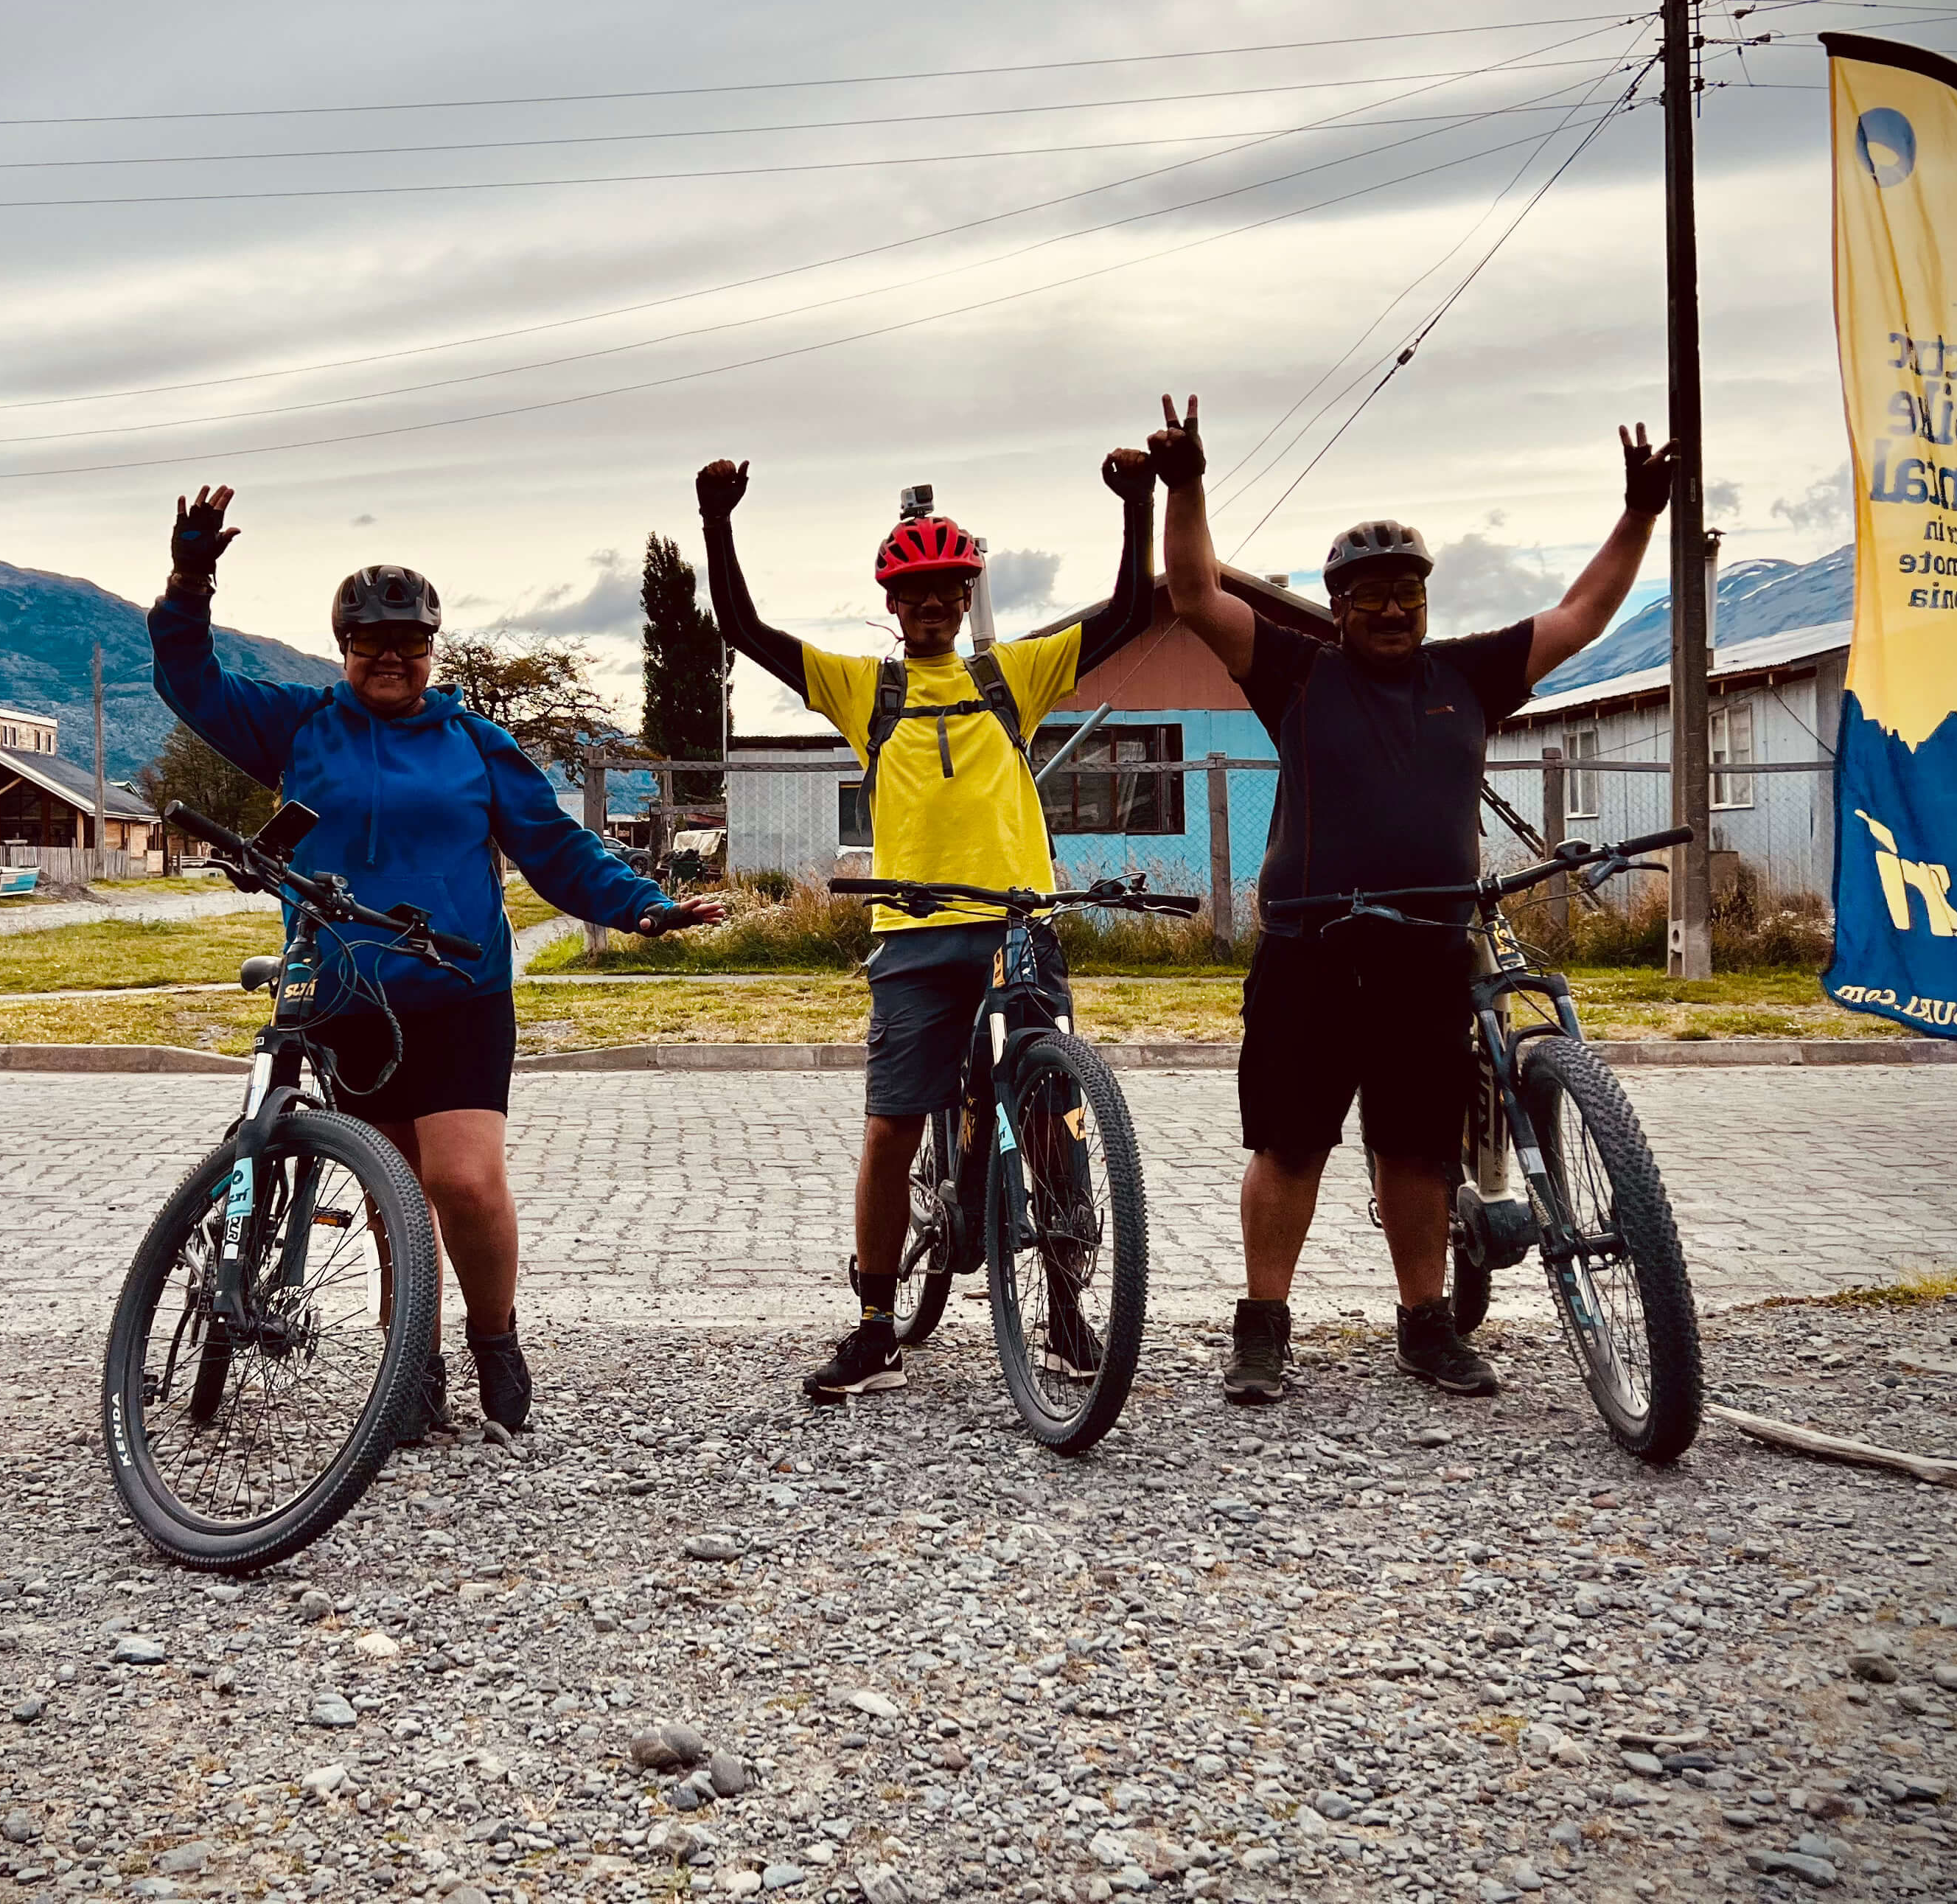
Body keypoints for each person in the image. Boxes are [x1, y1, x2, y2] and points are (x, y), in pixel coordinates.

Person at [147, 486, 720, 1437]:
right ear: (343, 649)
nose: (390, 659)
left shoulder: (475, 743)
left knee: (463, 1179)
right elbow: (188, 677)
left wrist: (642, 906)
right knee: (396, 1196)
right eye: (370, 644)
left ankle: (494, 1336)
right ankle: (411, 1355)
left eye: (408, 644)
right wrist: (190, 579)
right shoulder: (298, 725)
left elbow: (555, 846)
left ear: (431, 650)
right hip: (345, 995)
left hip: (459, 991)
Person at [1145, 397, 1675, 1404]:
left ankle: (1426, 1325)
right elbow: (1195, 593)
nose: (1392, 611)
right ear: (1338, 606)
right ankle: (1262, 1330)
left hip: (1431, 952)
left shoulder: (1469, 674)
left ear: (1427, 602)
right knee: (1289, 1145)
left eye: (1408, 594)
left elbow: (1581, 617)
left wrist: (1640, 514)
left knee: (1418, 1150)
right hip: (1311, 951)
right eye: (1371, 596)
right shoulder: (1296, 672)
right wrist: (1187, 484)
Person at [697, 439, 1155, 1403]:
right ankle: (875, 1326)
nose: (933, 604)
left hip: (1018, 926)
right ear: (893, 606)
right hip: (912, 937)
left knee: (1052, 1113)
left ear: (966, 593)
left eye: (948, 589)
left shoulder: (1012, 676)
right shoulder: (868, 689)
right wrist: (718, 522)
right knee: (893, 1125)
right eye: (915, 594)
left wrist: (1137, 502)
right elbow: (742, 628)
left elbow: (1129, 613)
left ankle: (1064, 1302)